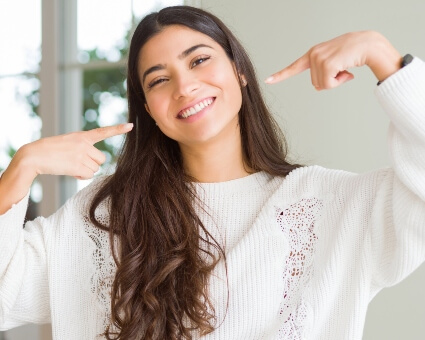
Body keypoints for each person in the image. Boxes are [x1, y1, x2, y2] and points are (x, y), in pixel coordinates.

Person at [0, 5, 424, 340]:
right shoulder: (110, 213)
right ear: (149, 111)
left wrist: (382, 56)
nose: (185, 87)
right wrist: (22, 168)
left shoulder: (333, 205)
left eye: (199, 60)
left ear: (239, 70)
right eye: (158, 80)